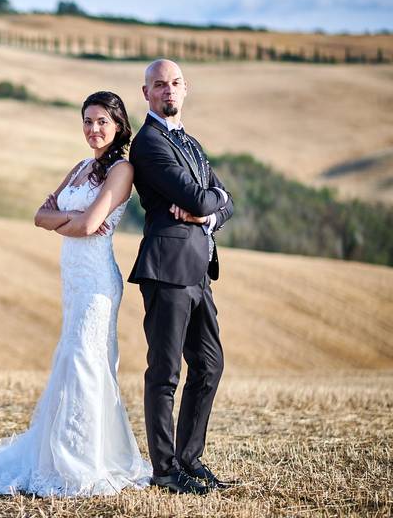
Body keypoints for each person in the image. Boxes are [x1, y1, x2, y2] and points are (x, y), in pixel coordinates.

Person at [0, 91, 152, 496]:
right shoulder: (80, 168)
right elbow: (40, 216)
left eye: (102, 121)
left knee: (85, 362)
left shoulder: (121, 171)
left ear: (120, 125)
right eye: (87, 121)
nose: (93, 129)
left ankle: (83, 460)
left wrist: (68, 219)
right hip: (73, 278)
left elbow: (89, 228)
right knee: (71, 360)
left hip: (97, 281)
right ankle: (57, 453)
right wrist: (69, 218)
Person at [128, 59, 236, 494]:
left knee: (210, 365)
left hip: (199, 271)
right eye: (159, 85)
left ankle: (190, 460)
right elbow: (199, 194)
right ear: (146, 93)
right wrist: (208, 201)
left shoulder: (189, 142)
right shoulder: (149, 144)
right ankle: (166, 470)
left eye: (174, 84)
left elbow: (224, 202)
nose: (167, 91)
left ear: (185, 88)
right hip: (167, 269)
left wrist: (206, 211)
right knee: (165, 373)